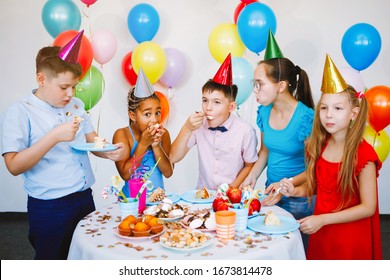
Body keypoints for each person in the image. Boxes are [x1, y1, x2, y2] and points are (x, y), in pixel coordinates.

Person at [0, 31, 126, 260]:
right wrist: (54, 136)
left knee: (86, 256)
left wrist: (109, 151)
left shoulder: (76, 105)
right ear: (41, 79)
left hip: (84, 198)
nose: (70, 94)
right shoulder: (20, 112)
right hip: (50, 207)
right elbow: (13, 165)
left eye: (74, 87)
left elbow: (91, 141)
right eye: (63, 87)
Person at [281, 54, 382, 260]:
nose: (329, 115)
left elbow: (368, 207)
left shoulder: (363, 154)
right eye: (324, 108)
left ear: (353, 113)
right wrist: (295, 190)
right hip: (322, 232)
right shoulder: (321, 145)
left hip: (349, 238)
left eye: (338, 108)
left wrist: (323, 220)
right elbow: (319, 186)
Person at [241, 30, 315, 222]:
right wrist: (252, 176)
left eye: (260, 84)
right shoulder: (264, 111)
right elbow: (265, 151)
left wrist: (286, 185)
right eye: (253, 83)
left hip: (297, 197)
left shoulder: (306, 118)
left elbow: (315, 168)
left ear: (281, 86)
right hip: (271, 193)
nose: (255, 90)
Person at [170, 54, 258, 190]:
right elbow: (173, 157)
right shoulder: (197, 126)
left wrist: (230, 189)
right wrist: (187, 128)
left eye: (216, 102)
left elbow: (249, 165)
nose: (208, 107)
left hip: (232, 195)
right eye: (205, 100)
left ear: (231, 107)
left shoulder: (245, 131)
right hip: (203, 196)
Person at [112, 68, 173, 194]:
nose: (154, 119)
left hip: (157, 201)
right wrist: (143, 144)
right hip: (131, 202)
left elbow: (168, 172)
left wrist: (156, 146)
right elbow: (125, 175)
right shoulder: (122, 135)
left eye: (157, 112)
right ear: (133, 115)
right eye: (147, 114)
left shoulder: (164, 134)